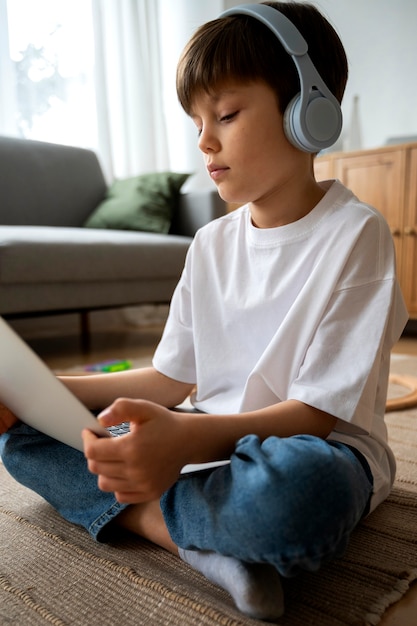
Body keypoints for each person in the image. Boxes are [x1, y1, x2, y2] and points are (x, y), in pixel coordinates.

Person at [0, 2, 409, 621]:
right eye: (196, 121)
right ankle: (206, 544)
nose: (204, 140)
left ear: (307, 114)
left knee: (298, 496)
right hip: (201, 440)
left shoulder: (357, 234)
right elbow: (171, 380)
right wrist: (43, 390)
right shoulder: (211, 243)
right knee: (23, 440)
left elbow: (317, 417)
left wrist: (180, 439)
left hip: (312, 451)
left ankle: (160, 517)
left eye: (226, 114)